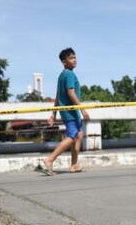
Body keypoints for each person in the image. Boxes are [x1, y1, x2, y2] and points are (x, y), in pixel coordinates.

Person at [40, 47, 90, 175]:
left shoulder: (62, 75)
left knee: (79, 135)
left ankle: (74, 165)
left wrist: (53, 114)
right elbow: (70, 92)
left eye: (75, 57)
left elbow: (58, 95)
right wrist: (82, 109)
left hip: (68, 111)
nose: (74, 60)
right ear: (64, 61)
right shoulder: (69, 74)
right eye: (71, 58)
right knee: (72, 136)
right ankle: (50, 160)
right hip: (70, 111)